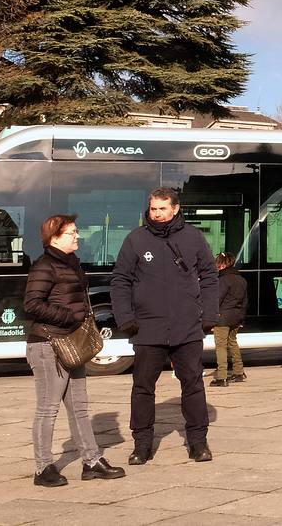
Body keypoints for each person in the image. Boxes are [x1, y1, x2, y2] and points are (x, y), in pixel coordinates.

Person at [110, 187, 218, 464]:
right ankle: (142, 445)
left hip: (187, 327)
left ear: (175, 208)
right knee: (143, 387)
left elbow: (209, 277)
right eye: (153, 209)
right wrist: (125, 319)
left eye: (161, 208)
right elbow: (120, 280)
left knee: (193, 385)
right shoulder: (136, 239)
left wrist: (209, 316)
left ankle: (198, 443)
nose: (156, 214)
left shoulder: (193, 237)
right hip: (147, 328)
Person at [24, 214, 125, 487]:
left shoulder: (72, 264)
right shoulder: (45, 266)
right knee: (48, 409)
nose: (77, 236)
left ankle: (91, 461)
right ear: (54, 237)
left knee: (79, 407)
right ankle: (43, 468)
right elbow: (32, 304)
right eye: (72, 232)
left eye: (76, 231)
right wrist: (68, 316)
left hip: (72, 344)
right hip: (47, 344)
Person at [210, 252, 247, 387]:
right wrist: (242, 318)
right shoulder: (241, 279)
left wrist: (211, 317)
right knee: (233, 343)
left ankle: (222, 377)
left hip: (222, 318)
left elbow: (216, 300)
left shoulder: (222, 280)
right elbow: (245, 302)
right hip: (236, 317)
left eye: (217, 264)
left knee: (221, 346)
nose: (216, 266)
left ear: (223, 264)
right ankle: (238, 372)